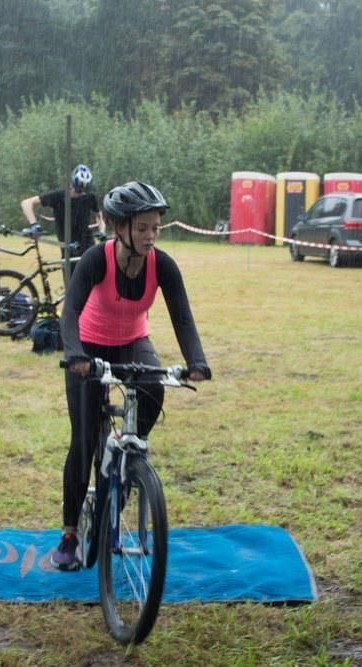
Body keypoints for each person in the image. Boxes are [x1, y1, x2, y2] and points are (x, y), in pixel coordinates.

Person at [52, 181, 211, 570]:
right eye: (142, 228)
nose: (150, 235)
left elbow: (182, 316)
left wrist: (197, 360)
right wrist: (75, 355)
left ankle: (125, 461)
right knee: (84, 441)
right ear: (118, 227)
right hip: (88, 347)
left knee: (154, 386)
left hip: (132, 341)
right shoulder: (96, 258)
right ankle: (70, 533)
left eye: (155, 227)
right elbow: (70, 312)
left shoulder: (162, 264)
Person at [20, 164, 105, 258]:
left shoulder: (90, 197)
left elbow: (99, 215)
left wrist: (102, 230)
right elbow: (26, 203)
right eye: (79, 190)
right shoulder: (58, 196)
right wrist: (34, 224)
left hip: (88, 247)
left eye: (84, 190)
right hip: (69, 248)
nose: (82, 193)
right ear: (72, 184)